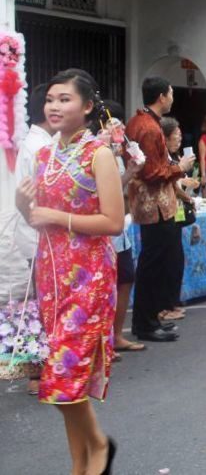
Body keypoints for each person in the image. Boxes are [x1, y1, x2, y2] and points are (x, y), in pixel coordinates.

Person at [15, 69, 125, 474]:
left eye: (65, 99)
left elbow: (114, 221)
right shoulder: (45, 154)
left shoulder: (99, 154)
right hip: (51, 275)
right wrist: (21, 203)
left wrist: (56, 216)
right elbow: (36, 219)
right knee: (60, 375)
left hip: (89, 276)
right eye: (51, 100)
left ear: (88, 107)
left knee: (65, 372)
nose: (55, 106)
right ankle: (85, 455)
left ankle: (95, 448)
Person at [125, 76, 195, 342]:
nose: (173, 97)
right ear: (162, 97)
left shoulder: (140, 122)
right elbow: (153, 172)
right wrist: (181, 168)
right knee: (152, 265)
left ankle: (151, 318)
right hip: (154, 204)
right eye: (171, 93)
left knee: (154, 263)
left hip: (153, 203)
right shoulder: (150, 128)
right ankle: (145, 324)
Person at [100, 100, 147, 356]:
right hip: (105, 230)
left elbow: (118, 186)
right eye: (111, 124)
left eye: (119, 124)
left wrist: (130, 169)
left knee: (126, 277)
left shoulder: (115, 152)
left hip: (120, 230)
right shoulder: (99, 153)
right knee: (108, 284)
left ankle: (115, 335)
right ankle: (104, 340)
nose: (117, 130)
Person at [14, 83, 52, 394]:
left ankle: (39, 368)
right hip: (38, 234)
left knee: (40, 303)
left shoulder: (39, 142)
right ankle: (36, 372)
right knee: (40, 304)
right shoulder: (39, 146)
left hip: (37, 233)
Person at [161, 117, 202, 321]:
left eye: (179, 135)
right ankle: (166, 306)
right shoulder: (165, 160)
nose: (178, 139)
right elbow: (172, 186)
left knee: (176, 259)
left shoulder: (175, 157)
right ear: (165, 137)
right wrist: (187, 196)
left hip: (175, 213)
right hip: (168, 212)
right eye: (175, 135)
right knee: (169, 260)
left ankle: (172, 302)